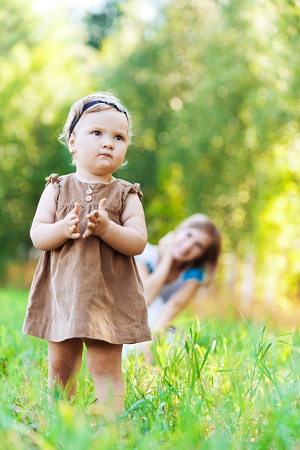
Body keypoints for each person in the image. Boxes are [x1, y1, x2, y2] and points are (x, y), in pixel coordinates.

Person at [22, 92, 151, 417]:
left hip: (109, 298)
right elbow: (38, 235)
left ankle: (110, 426)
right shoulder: (57, 188)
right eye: (97, 133)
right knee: (61, 366)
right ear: (73, 143)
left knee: (105, 366)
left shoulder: (125, 194)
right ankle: (60, 422)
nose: (108, 142)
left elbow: (138, 242)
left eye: (118, 137)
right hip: (63, 295)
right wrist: (63, 229)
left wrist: (107, 228)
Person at [124, 214, 221, 359]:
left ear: (202, 255)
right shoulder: (147, 254)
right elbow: (144, 299)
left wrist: (149, 343)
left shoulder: (192, 275)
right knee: (156, 304)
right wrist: (168, 257)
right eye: (188, 235)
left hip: (157, 325)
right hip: (127, 317)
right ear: (179, 230)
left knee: (180, 345)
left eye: (198, 245)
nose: (188, 246)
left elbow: (172, 308)